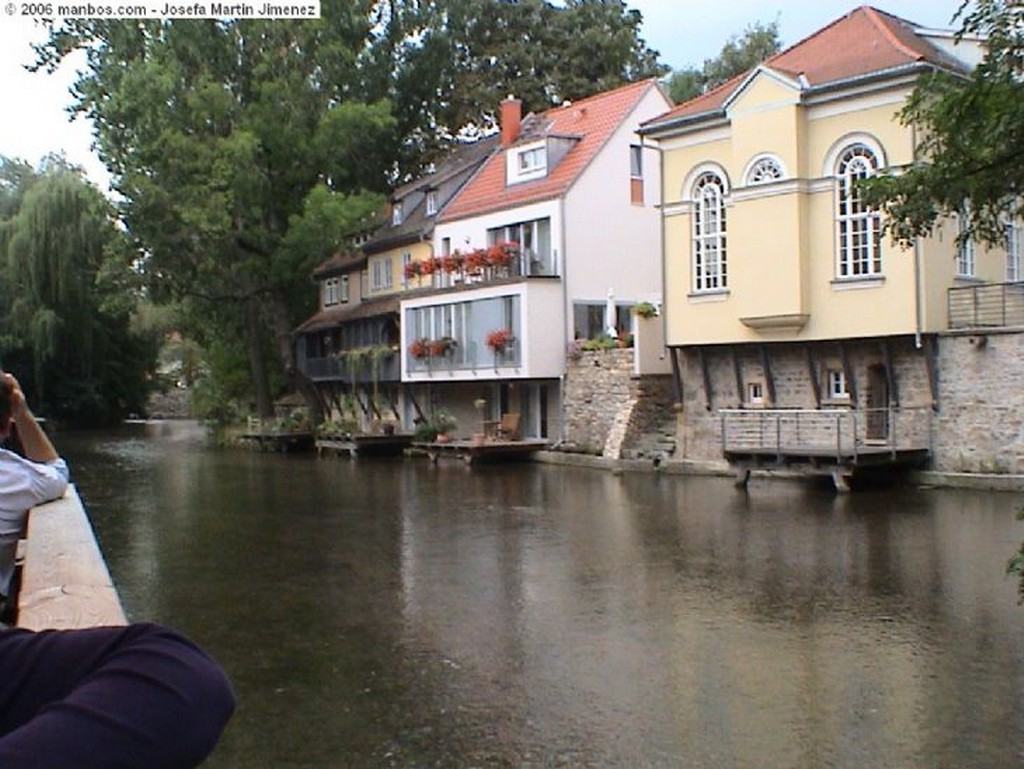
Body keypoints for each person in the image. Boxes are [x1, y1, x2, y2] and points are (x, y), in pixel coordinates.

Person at [0, 371, 236, 767]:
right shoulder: (10, 476)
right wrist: (22, 411)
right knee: (177, 672)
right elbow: (57, 473)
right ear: (6, 427)